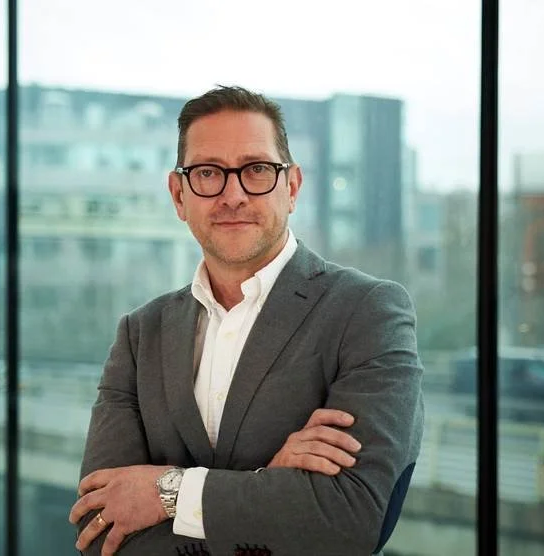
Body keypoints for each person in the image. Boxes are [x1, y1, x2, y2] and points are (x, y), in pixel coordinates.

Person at [69, 85, 424, 555]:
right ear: (178, 195)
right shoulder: (140, 335)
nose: (233, 195)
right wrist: (269, 484)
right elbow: (100, 529)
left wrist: (168, 491)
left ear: (291, 187)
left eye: (256, 169)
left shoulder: (367, 312)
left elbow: (347, 520)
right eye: (207, 173)